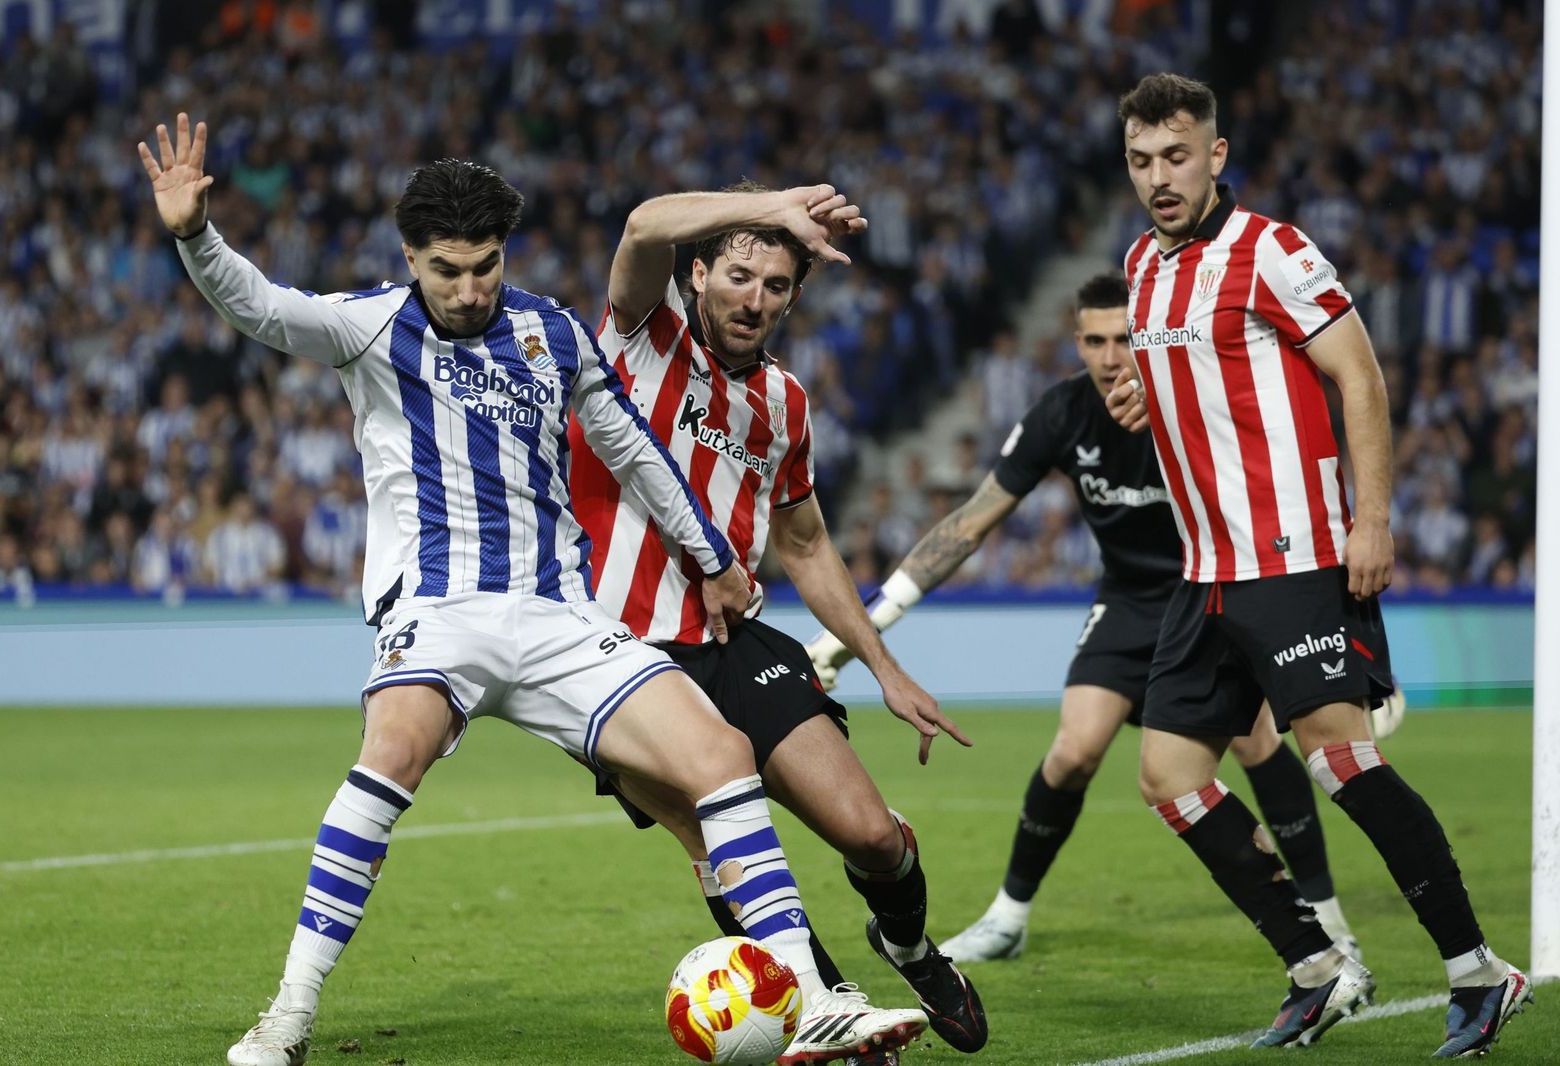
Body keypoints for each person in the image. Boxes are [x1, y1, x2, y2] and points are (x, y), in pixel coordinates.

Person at [139, 114, 925, 1066]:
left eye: (485, 266)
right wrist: (194, 235)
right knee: (391, 756)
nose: (468, 290)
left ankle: (808, 996)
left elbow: (631, 445)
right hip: (438, 614)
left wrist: (711, 553)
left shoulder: (551, 333)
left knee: (721, 753)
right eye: (446, 269)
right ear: (411, 259)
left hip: (560, 619)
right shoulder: (369, 329)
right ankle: (288, 1018)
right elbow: (261, 307)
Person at [1100, 74, 1529, 1053]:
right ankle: (1319, 964)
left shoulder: (1273, 250)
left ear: (1214, 155)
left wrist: (1368, 521)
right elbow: (1188, 379)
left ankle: (1476, 969)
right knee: (1168, 778)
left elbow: (1358, 373)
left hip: (1292, 557)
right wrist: (1142, 401)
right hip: (1203, 573)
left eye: (1176, 156)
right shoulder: (1138, 265)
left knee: (1339, 760)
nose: (1158, 179)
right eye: (1139, 161)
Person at [807, 272, 1375, 969]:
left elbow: (1279, 494)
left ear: (1150, 338)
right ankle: (1008, 917)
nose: (1111, 357)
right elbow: (969, 522)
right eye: (1096, 340)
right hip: (1128, 600)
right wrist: (868, 623)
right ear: (1076, 341)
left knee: (1256, 743)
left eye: (1126, 339)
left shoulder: (1194, 407)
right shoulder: (1061, 414)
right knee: (1074, 750)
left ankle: (1328, 919)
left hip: (1211, 592)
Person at [566, 182, 987, 1062]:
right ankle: (822, 1003)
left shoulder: (786, 403)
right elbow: (641, 224)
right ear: (699, 273)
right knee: (714, 833)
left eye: (775, 285)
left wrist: (884, 666)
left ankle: (905, 945)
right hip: (618, 658)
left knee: (872, 835)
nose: (753, 299)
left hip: (733, 643)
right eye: (738, 275)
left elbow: (805, 544)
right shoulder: (640, 342)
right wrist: (778, 208)